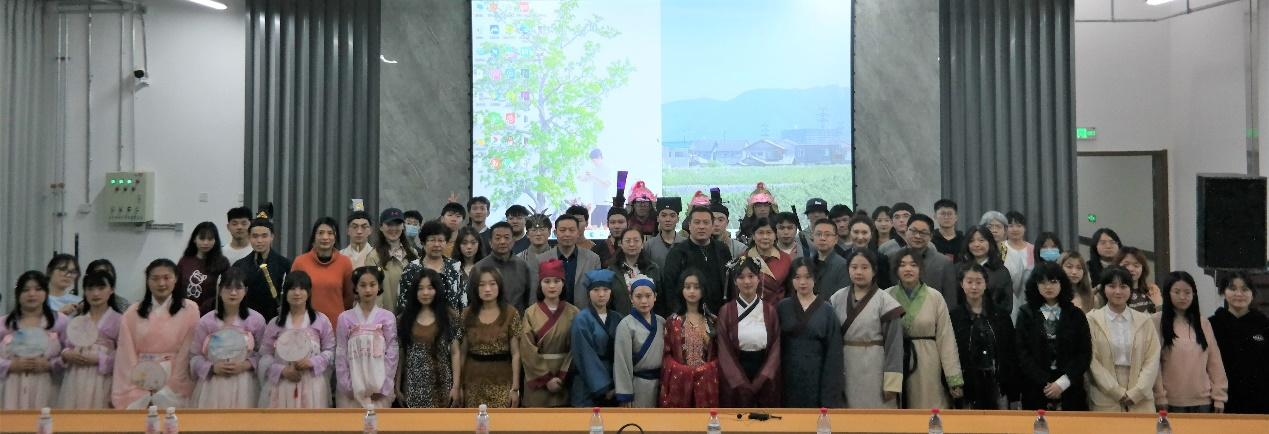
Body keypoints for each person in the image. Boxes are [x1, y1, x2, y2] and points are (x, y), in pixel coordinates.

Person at [112, 259, 201, 409]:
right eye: (155, 278)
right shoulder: (133, 312)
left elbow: (187, 351)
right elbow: (126, 354)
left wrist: (171, 387)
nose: (161, 283)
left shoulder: (190, 309)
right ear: (147, 281)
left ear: (176, 278)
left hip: (174, 377)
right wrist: (138, 385)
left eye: (167, 277)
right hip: (140, 376)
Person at [887, 247, 964, 409]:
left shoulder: (935, 297)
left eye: (913, 265)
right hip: (896, 361)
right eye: (902, 265)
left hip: (928, 361)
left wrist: (953, 378)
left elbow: (946, 338)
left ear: (921, 269)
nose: (908, 269)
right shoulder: (886, 296)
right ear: (896, 270)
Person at [830, 249, 905, 409]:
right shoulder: (837, 298)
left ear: (874, 270)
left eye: (864, 267)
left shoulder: (886, 302)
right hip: (845, 365)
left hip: (875, 367)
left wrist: (892, 383)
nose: (859, 272)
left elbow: (894, 346)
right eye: (854, 267)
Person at [1013, 261, 1091, 411]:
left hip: (1070, 388)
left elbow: (1084, 353)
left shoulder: (1076, 315)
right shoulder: (1026, 314)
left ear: (1062, 284)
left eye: (1053, 281)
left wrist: (1062, 383)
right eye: (1042, 282)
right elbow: (1022, 352)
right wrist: (1046, 382)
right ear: (1035, 285)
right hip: (1036, 389)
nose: (1048, 286)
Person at [1086, 265, 1161, 413]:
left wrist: (1138, 392)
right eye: (1112, 286)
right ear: (1103, 289)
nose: (1118, 291)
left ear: (1130, 289)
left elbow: (1152, 358)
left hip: (1140, 393)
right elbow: (1092, 361)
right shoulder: (1092, 320)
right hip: (1105, 393)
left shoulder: (1144, 320)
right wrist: (1116, 391)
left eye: (1123, 286)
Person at [190, 267, 266, 408]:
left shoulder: (256, 320)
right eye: (228, 288)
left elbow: (263, 354)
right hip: (213, 384)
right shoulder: (207, 321)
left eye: (238, 288)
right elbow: (195, 356)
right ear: (219, 290)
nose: (233, 293)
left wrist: (245, 365)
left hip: (245, 383)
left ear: (246, 291)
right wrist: (213, 368)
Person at [257, 271, 335, 409]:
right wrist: (282, 370)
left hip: (312, 385)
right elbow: (264, 356)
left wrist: (312, 362)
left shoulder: (321, 321)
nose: (297, 293)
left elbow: (331, 350)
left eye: (302, 288)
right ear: (285, 293)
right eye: (292, 289)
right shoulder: (275, 323)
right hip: (282, 384)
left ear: (309, 292)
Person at [1152, 271, 1227, 413]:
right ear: (1167, 293)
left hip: (1203, 400)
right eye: (1177, 292)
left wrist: (1219, 396)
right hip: (1170, 401)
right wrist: (1159, 395)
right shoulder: (1156, 321)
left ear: (1194, 295)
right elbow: (1154, 363)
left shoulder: (1203, 323)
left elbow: (1214, 362)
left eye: (1187, 292)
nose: (1182, 297)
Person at [715, 256, 782, 408]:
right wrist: (738, 381)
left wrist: (763, 377)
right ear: (735, 281)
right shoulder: (726, 311)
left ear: (759, 279)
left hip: (764, 371)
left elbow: (775, 348)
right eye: (741, 277)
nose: (747, 281)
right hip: (735, 372)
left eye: (751, 276)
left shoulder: (770, 311)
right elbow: (724, 350)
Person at [949, 263, 1019, 410]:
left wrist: (1013, 388)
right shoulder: (954, 316)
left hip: (997, 383)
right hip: (967, 385)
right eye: (969, 282)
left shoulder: (1001, 315)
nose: (974, 287)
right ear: (962, 284)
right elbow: (950, 352)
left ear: (986, 284)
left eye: (978, 282)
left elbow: (1011, 353)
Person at [777, 258, 844, 408]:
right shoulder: (782, 307)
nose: (802, 282)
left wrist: (830, 390)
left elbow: (833, 352)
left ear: (815, 278)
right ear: (791, 280)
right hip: (788, 374)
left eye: (807, 277)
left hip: (817, 374)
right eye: (797, 277)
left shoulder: (827, 310)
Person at [394, 267, 463, 408]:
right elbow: (400, 355)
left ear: (437, 289)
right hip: (413, 388)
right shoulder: (403, 319)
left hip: (443, 386)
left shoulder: (450, 317)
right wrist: (397, 387)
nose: (425, 293)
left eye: (430, 288)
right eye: (420, 288)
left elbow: (455, 353)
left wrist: (456, 387)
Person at [1, 271, 68, 410]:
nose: (32, 294)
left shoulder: (61, 322)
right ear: (18, 294)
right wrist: (11, 365)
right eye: (26, 290)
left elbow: (69, 354)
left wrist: (49, 365)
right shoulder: (4, 323)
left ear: (46, 292)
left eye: (38, 289)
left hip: (48, 385)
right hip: (11, 386)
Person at [335, 266, 399, 409]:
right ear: (356, 288)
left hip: (379, 388)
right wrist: (348, 386)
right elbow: (341, 352)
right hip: (352, 387)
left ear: (379, 286)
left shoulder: (387, 317)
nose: (368, 290)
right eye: (363, 285)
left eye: (372, 284)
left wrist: (383, 387)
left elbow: (392, 352)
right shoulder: (345, 318)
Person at [58, 270, 123, 409]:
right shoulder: (76, 319)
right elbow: (64, 346)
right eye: (90, 289)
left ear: (112, 289)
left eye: (101, 288)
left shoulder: (119, 320)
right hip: (75, 375)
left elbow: (124, 355)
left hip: (103, 377)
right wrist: (66, 354)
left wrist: (99, 359)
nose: (95, 293)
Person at [519, 260, 579, 407]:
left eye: (557, 281)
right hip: (537, 381)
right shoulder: (530, 313)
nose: (552, 286)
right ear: (540, 284)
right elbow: (527, 350)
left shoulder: (574, 313)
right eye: (547, 281)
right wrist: (546, 378)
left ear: (563, 283)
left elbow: (577, 348)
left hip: (565, 379)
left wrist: (562, 375)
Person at [461, 266, 522, 408]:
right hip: (473, 380)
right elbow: (462, 353)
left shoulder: (511, 313)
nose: (487, 289)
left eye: (492, 284)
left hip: (502, 379)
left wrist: (515, 388)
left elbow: (516, 354)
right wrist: (458, 386)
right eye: (482, 285)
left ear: (499, 286)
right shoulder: (466, 314)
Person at [1208, 271, 1269, 414]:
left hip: (1260, 400)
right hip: (1222, 401)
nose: (1239, 294)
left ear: (1252, 294)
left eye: (1245, 289)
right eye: (1232, 288)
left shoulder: (1264, 324)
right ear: (1223, 292)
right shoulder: (1212, 324)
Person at [659, 268, 720, 408]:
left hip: (706, 382)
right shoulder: (672, 321)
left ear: (703, 290)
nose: (692, 291)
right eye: (687, 287)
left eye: (696, 287)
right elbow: (667, 355)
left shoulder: (712, 321)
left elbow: (718, 354)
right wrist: (681, 370)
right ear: (681, 290)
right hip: (679, 382)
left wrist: (707, 368)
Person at [661, 206, 733, 316]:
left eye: (706, 222)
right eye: (697, 222)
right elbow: (670, 289)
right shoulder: (677, 252)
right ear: (689, 225)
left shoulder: (722, 250)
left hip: (719, 315)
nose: (701, 227)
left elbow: (729, 283)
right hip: (687, 316)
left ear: (712, 226)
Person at [569, 270, 625, 407]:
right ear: (589, 292)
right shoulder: (581, 319)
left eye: (605, 289)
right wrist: (604, 387)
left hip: (614, 381)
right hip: (587, 384)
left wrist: (618, 384)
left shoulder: (618, 318)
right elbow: (585, 356)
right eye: (596, 290)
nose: (601, 294)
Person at [292, 217, 356, 323]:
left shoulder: (345, 262)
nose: (325, 237)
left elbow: (349, 297)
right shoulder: (300, 262)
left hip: (336, 323)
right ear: (314, 236)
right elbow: (292, 293)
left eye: (330, 233)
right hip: (307, 323)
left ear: (336, 237)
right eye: (320, 233)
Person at [613, 276, 664, 408]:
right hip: (638, 387)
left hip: (661, 385)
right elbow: (622, 362)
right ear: (631, 298)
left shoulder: (661, 322)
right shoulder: (626, 325)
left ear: (655, 297)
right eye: (638, 296)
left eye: (648, 296)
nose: (644, 301)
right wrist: (625, 394)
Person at [232, 212, 292, 322]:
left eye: (264, 236)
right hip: (246, 321)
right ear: (249, 237)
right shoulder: (239, 266)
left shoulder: (285, 265)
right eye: (255, 236)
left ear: (272, 237)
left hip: (275, 321)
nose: (259, 241)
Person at [532, 215, 602, 309]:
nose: (567, 234)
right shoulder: (541, 259)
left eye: (572, 230)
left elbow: (598, 291)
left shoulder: (593, 259)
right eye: (562, 230)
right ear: (555, 233)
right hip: (551, 314)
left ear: (578, 232)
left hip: (584, 314)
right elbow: (534, 293)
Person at [887, 214, 957, 302]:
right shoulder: (891, 257)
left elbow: (950, 299)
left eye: (923, 233)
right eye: (913, 231)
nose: (917, 236)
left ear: (931, 236)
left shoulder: (944, 263)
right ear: (906, 230)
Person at [403, 221, 469, 315]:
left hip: (451, 322)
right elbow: (403, 303)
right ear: (423, 243)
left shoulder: (455, 267)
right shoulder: (411, 269)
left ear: (446, 243)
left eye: (441, 240)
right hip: (419, 321)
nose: (437, 244)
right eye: (432, 240)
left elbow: (462, 300)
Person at [364, 208, 418, 314]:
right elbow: (373, 293)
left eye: (397, 224)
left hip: (412, 317)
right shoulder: (374, 257)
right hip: (387, 318)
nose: (393, 228)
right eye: (389, 224)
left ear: (403, 226)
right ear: (381, 227)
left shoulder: (413, 253)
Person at [474, 222, 534, 312]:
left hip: (518, 318)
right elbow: (473, 297)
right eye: (498, 238)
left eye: (506, 237)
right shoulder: (479, 267)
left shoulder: (523, 266)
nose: (502, 242)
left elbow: (529, 297)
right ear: (490, 242)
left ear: (513, 241)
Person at [953, 226, 1013, 315]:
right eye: (971, 241)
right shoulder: (958, 269)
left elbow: (1006, 304)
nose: (976, 244)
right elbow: (953, 299)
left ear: (990, 242)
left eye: (981, 240)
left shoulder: (1001, 271)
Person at [177, 222, 231, 315]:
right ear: (194, 239)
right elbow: (177, 286)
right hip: (185, 312)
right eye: (202, 238)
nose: (206, 243)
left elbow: (226, 290)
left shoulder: (222, 263)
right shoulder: (184, 261)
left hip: (211, 314)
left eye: (210, 239)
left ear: (215, 240)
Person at [742, 217, 793, 305]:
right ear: (753, 236)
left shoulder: (785, 259)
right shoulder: (743, 258)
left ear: (775, 235)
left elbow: (790, 290)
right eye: (760, 233)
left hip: (778, 309)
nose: (765, 237)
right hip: (750, 308)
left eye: (769, 233)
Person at [610, 228, 660, 315]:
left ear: (642, 244)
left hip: (648, 319)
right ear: (621, 244)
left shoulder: (652, 268)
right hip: (620, 319)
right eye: (628, 241)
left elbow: (660, 298)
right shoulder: (612, 270)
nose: (632, 244)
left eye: (636, 241)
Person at [840, 215, 893, 290]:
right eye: (856, 232)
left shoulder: (881, 260)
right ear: (850, 233)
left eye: (864, 232)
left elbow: (885, 287)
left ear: (871, 235)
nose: (860, 237)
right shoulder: (842, 256)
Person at [1111, 247, 1163, 313]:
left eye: (1136, 265)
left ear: (1143, 269)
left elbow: (1162, 317)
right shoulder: (1111, 292)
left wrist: (1159, 305)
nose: (1131, 269)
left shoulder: (1151, 291)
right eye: (1126, 265)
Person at [809, 219, 852, 299]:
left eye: (827, 235)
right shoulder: (807, 263)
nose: (822, 238)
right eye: (818, 234)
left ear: (836, 239)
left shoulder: (843, 266)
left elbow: (841, 298)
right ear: (813, 237)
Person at [1001, 211, 1035, 303]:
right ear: (1005, 229)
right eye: (1011, 226)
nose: (1015, 229)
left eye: (1019, 226)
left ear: (1025, 228)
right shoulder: (1001, 248)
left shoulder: (1033, 250)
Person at [642, 197, 684, 268]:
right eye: (663, 215)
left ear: (678, 219)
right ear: (658, 218)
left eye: (672, 216)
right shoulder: (648, 246)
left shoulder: (685, 243)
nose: (668, 219)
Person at [579, 148, 613, 228]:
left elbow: (608, 183)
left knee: (606, 228)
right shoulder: (594, 170)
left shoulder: (608, 168)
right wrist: (581, 177)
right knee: (594, 226)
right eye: (592, 161)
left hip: (605, 204)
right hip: (597, 204)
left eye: (594, 161)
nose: (593, 163)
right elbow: (587, 179)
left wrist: (594, 175)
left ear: (599, 158)